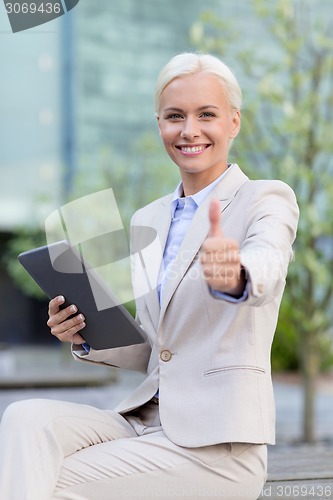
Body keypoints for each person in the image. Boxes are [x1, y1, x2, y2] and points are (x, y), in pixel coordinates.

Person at [0, 52, 299, 500]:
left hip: (217, 447)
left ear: (233, 123)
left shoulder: (265, 199)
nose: (189, 130)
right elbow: (157, 349)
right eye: (174, 116)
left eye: (207, 115)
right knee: (23, 419)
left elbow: (269, 264)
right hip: (143, 421)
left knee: (48, 482)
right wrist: (84, 334)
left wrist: (234, 274)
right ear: (159, 123)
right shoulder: (151, 218)